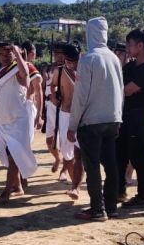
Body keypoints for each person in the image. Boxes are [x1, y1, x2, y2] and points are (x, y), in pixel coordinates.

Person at [67, 17, 124, 221]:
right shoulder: (115, 58)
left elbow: (80, 97)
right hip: (112, 119)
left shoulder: (88, 59)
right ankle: (112, 207)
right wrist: (118, 118)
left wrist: (72, 125)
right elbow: (120, 91)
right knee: (111, 164)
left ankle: (97, 210)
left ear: (89, 34)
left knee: (92, 166)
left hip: (91, 121)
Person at [0, 41, 38, 201]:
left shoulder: (19, 69)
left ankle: (7, 190)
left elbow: (25, 74)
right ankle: (18, 187)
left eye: (8, 53)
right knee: (11, 156)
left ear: (15, 54)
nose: (5, 56)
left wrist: (18, 54)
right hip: (2, 122)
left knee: (14, 156)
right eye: (1, 53)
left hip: (18, 121)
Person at [119, 28, 144, 209]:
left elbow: (125, 90)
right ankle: (119, 191)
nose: (127, 47)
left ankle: (142, 197)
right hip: (124, 117)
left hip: (139, 118)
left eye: (130, 44)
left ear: (141, 45)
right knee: (120, 155)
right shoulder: (130, 66)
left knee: (140, 158)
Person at [55, 42, 84, 199]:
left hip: (83, 117)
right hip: (66, 114)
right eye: (68, 60)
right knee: (67, 152)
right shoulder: (59, 72)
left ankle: (76, 187)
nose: (71, 63)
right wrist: (54, 99)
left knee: (80, 152)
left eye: (74, 60)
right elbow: (52, 88)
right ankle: (75, 182)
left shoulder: (86, 69)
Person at [44, 43, 67, 174]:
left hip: (63, 107)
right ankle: (57, 159)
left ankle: (64, 169)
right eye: (56, 54)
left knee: (64, 140)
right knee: (49, 141)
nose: (58, 56)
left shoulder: (68, 69)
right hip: (50, 107)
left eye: (61, 53)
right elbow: (43, 88)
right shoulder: (47, 69)